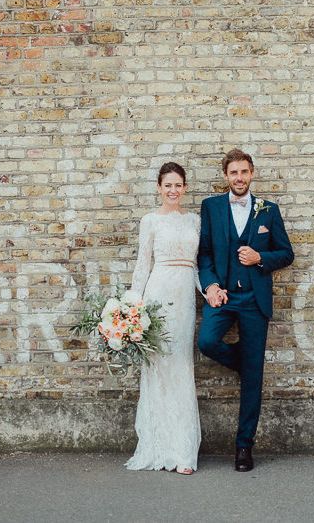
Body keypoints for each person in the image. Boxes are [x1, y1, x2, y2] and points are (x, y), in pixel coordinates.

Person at [197, 149, 294, 472]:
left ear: (252, 174)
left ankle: (244, 447)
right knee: (207, 342)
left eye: (244, 172)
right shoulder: (211, 207)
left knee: (252, 382)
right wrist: (210, 286)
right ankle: (243, 362)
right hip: (223, 296)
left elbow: (286, 253)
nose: (239, 178)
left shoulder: (269, 210)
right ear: (226, 176)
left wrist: (260, 259)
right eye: (233, 172)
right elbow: (205, 253)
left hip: (254, 299)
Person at [125, 162, 201, 475]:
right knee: (159, 366)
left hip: (184, 297)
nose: (173, 190)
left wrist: (207, 290)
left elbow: (197, 265)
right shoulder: (150, 220)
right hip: (157, 295)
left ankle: (183, 451)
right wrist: (132, 306)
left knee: (181, 365)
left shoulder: (195, 220)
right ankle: (158, 445)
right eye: (167, 185)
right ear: (159, 187)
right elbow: (143, 264)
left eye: (178, 185)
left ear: (184, 188)